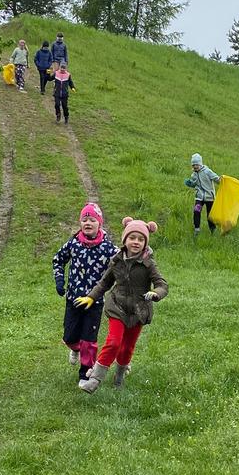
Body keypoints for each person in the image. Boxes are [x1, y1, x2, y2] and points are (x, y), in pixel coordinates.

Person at [75, 217, 168, 394]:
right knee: (114, 342)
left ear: (145, 243)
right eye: (132, 237)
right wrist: (91, 297)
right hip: (117, 306)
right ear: (125, 239)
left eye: (141, 239)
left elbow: (162, 284)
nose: (136, 242)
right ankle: (94, 380)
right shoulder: (117, 260)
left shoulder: (148, 263)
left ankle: (119, 377)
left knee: (127, 348)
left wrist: (156, 293)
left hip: (138, 311)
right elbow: (105, 283)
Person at [52, 203, 118, 386]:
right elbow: (58, 260)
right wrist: (59, 280)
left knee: (89, 340)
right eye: (84, 219)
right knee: (70, 337)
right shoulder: (74, 243)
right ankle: (75, 349)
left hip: (94, 302)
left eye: (92, 220)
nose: (88, 223)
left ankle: (85, 374)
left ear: (100, 224)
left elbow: (123, 262)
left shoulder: (108, 248)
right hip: (73, 299)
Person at [184, 153, 221, 235]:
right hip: (199, 197)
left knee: (210, 215)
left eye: (196, 165)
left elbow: (216, 178)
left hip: (209, 197)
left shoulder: (207, 171)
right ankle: (197, 229)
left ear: (200, 164)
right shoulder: (194, 174)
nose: (195, 167)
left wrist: (221, 181)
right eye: (193, 165)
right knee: (196, 211)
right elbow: (194, 184)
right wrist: (190, 183)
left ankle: (212, 230)